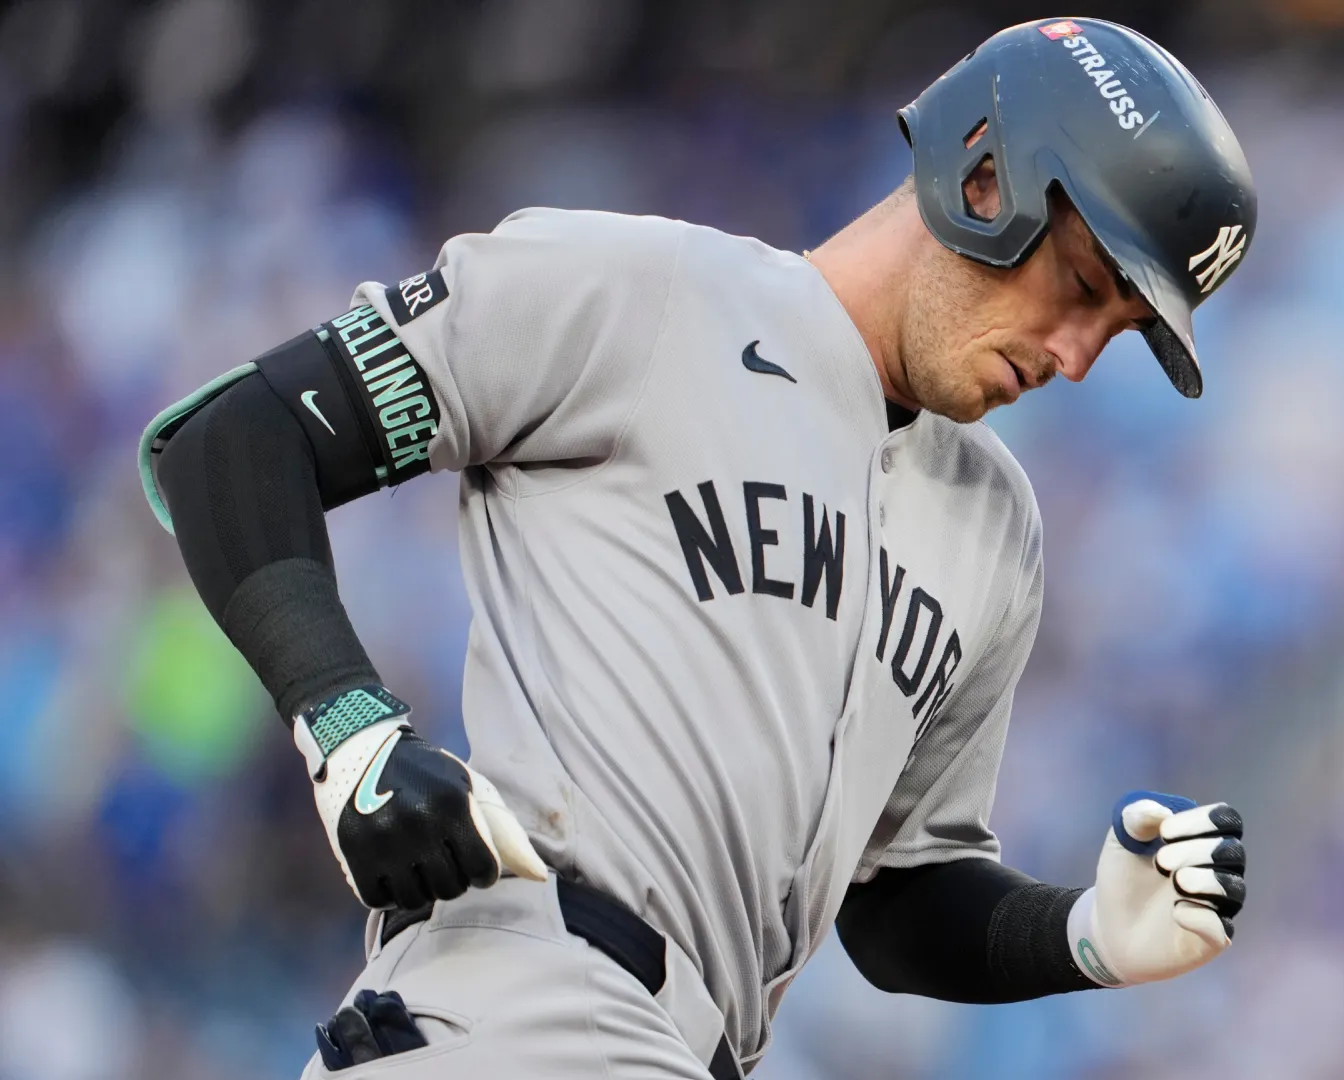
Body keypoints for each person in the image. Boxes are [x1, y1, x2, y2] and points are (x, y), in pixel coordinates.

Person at [137, 17, 1255, 1078]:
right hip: (523, 998)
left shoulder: (995, 532)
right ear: (985, 178)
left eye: (1117, 332)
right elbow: (236, 438)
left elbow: (899, 902)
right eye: (1083, 290)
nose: (1076, 357)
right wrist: (351, 729)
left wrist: (1085, 935)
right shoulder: (649, 292)